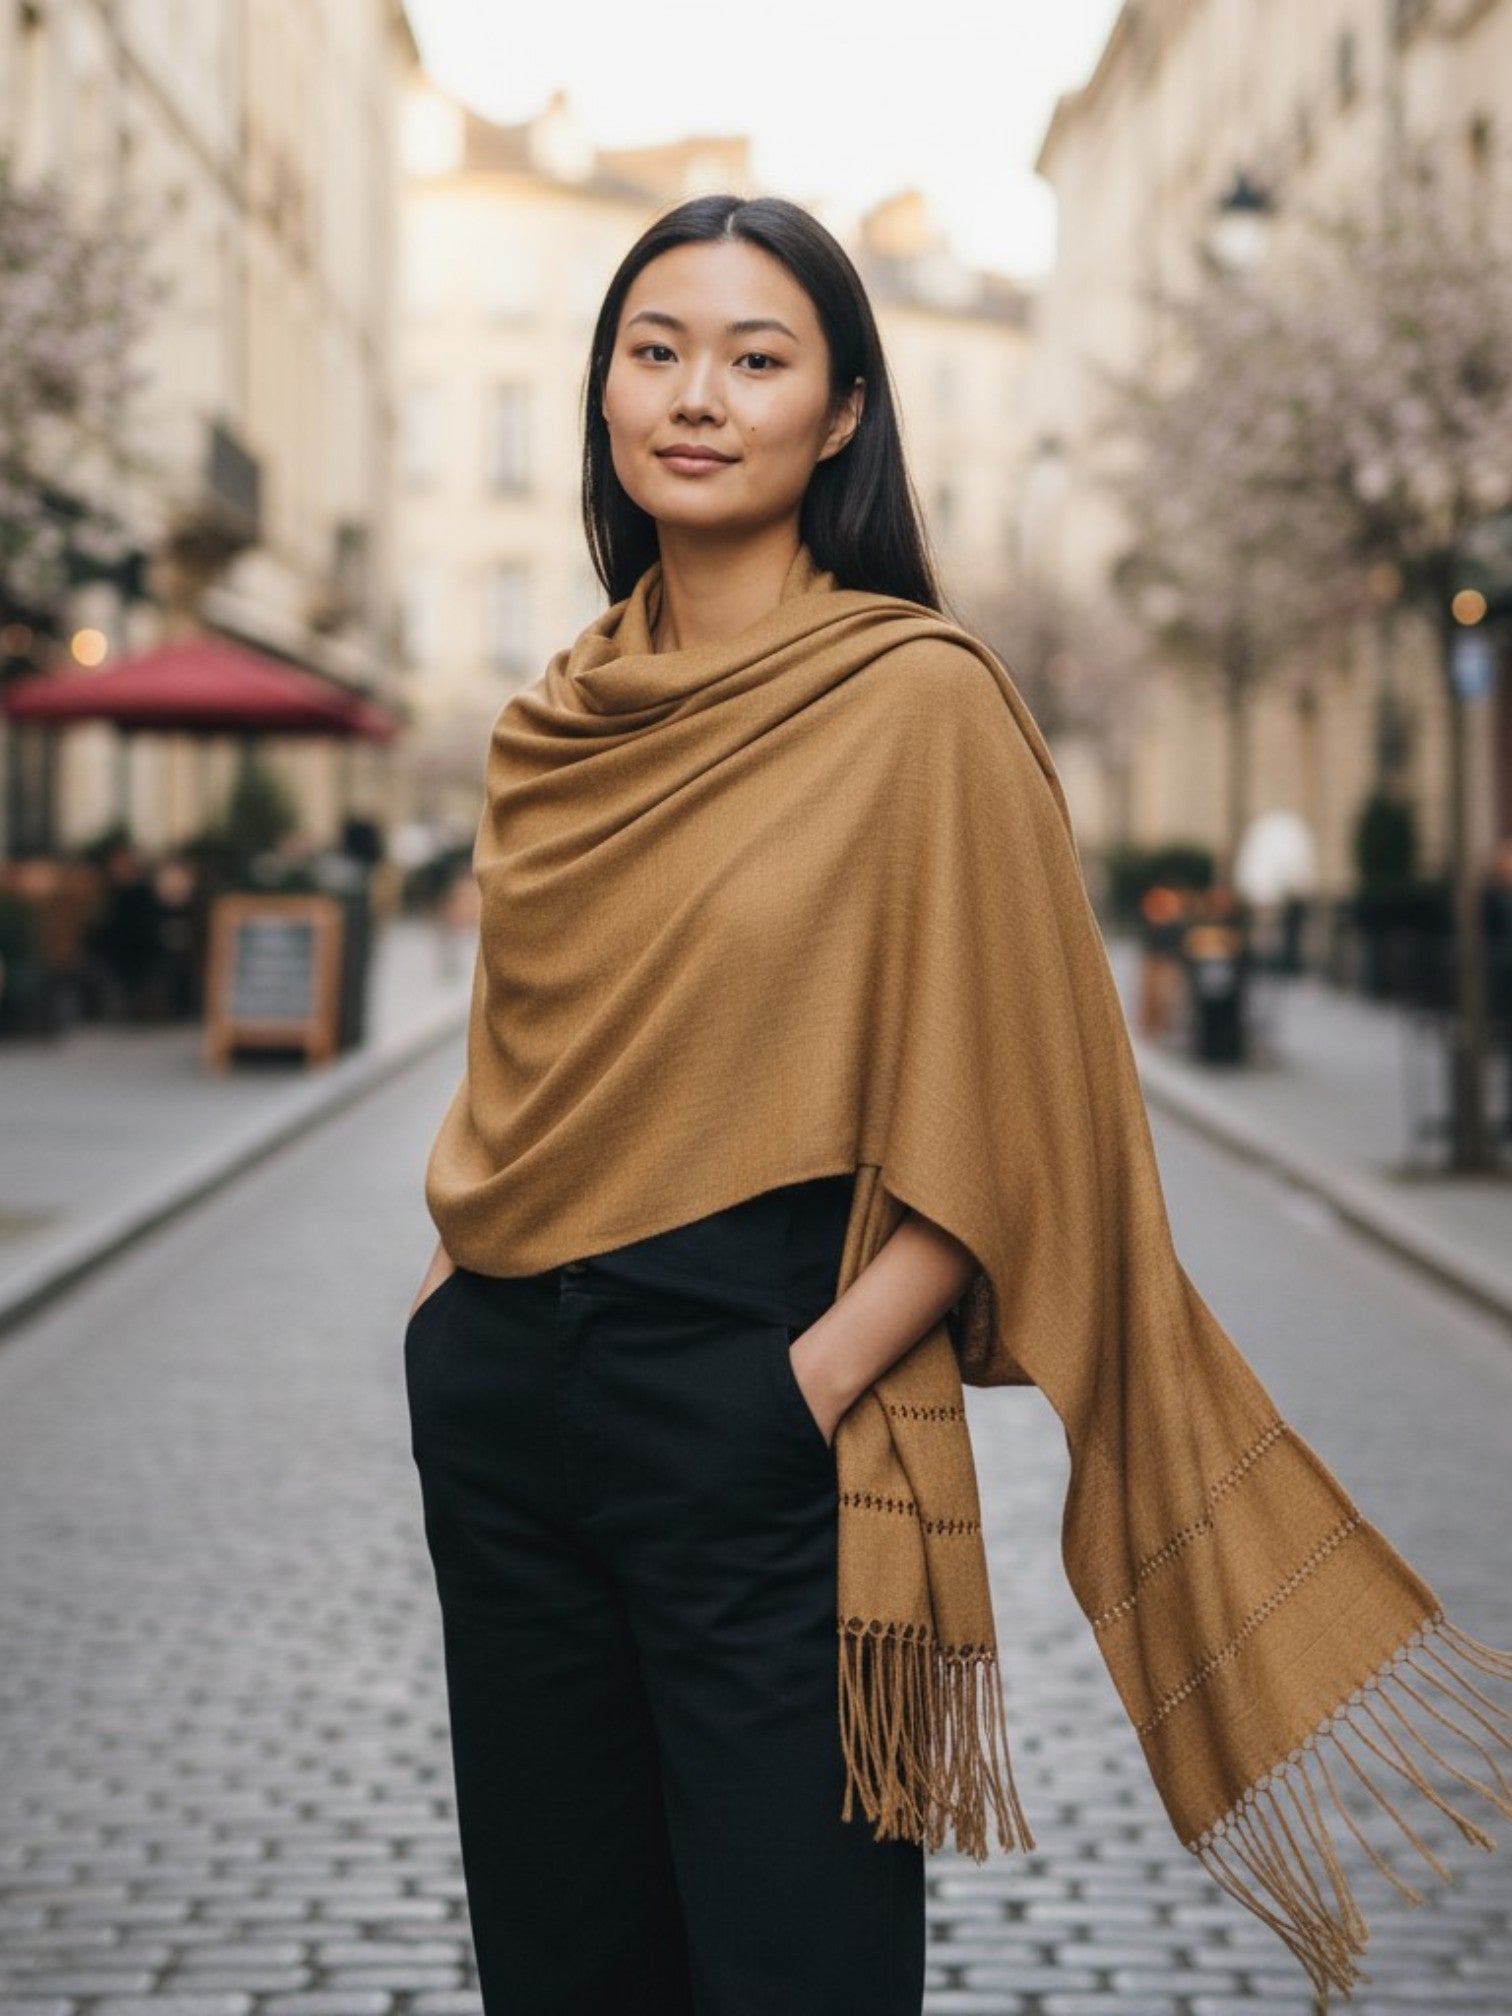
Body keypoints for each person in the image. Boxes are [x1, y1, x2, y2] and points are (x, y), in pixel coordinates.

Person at [404, 195, 1512, 2016]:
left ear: (840, 413)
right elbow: (535, 1068)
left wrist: (816, 1376)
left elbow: (1028, 1105)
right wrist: (455, 1312)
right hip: (507, 1408)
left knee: (797, 1968)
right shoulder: (558, 723)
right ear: (603, 387)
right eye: (656, 347)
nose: (698, 394)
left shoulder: (917, 704)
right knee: (561, 1964)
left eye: (758, 360)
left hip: (760, 1405)